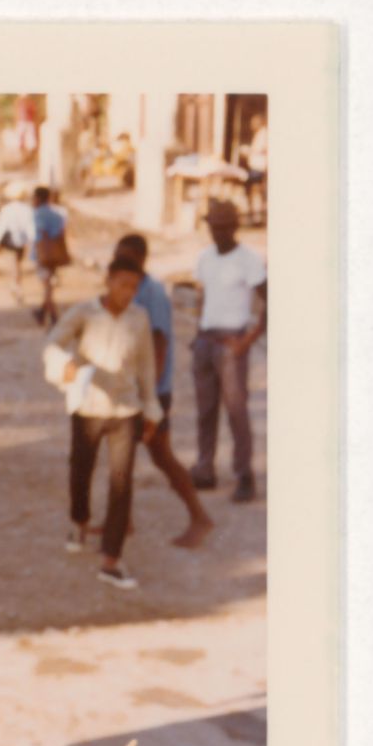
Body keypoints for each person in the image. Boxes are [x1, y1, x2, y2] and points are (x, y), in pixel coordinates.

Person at [44, 257, 164, 590]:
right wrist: (64, 365)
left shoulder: (139, 319)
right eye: (123, 284)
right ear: (109, 281)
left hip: (125, 411)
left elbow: (146, 368)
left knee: (121, 483)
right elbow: (53, 342)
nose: (128, 292)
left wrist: (151, 410)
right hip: (88, 406)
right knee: (80, 469)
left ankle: (111, 558)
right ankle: (79, 519)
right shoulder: (84, 313)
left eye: (134, 287)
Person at [115, 234, 215, 547]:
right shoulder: (128, 288)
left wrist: (149, 397)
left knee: (162, 457)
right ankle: (122, 521)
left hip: (153, 391)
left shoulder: (153, 293)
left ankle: (200, 517)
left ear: (142, 258)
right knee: (124, 456)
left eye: (128, 257)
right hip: (132, 387)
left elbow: (159, 345)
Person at [189, 199, 267, 503]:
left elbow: (269, 300)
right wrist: (198, 332)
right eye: (213, 226)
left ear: (235, 227)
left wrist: (249, 339)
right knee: (205, 411)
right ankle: (205, 469)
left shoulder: (248, 260)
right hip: (206, 341)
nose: (218, 232)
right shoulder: (204, 257)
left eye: (223, 226)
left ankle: (244, 475)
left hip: (232, 343)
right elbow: (200, 296)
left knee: (236, 411)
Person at [0, 182, 35, 290]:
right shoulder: (28, 209)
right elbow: (30, 227)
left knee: (12, 260)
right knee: (17, 261)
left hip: (10, 239)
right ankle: (17, 282)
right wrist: (32, 241)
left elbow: (1, 227)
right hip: (22, 240)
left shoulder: (7, 209)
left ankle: (13, 280)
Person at [31, 186, 68, 328]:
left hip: (43, 253)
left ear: (38, 198)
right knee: (49, 286)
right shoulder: (57, 214)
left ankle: (53, 316)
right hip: (55, 252)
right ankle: (42, 312)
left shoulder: (38, 214)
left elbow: (42, 231)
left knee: (47, 286)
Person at [240, 113, 268, 226]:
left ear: (259, 122)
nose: (251, 125)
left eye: (253, 122)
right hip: (256, 166)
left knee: (255, 191)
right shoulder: (259, 134)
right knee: (253, 191)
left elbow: (261, 149)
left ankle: (257, 218)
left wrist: (247, 151)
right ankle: (255, 217)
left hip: (260, 167)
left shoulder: (264, 133)